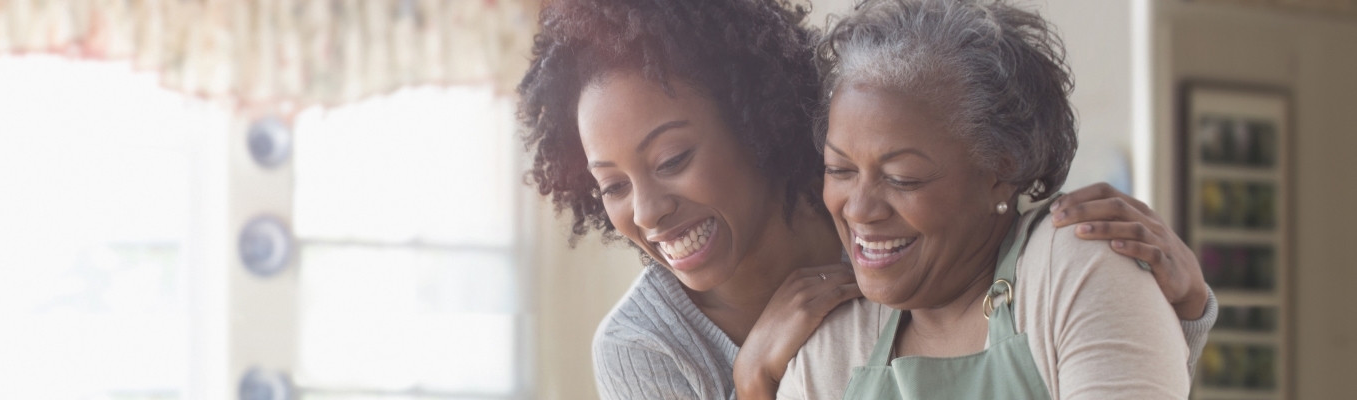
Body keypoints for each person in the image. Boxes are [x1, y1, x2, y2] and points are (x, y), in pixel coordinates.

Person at [515, 0, 1216, 399]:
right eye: (611, 185)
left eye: (673, 159)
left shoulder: (886, 235)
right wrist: (755, 381)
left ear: (754, 119)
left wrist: (1177, 311)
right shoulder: (648, 347)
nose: (647, 211)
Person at [773, 0, 1209, 399]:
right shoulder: (834, 345)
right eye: (840, 170)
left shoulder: (1075, 271)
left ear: (1000, 173)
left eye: (902, 178)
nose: (860, 209)